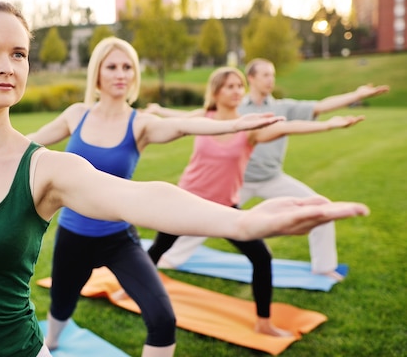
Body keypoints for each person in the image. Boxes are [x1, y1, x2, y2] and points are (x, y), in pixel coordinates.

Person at [0, 0, 369, 357]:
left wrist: (244, 220)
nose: (7, 66)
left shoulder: (47, 170)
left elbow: (142, 197)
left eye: (19, 54)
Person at [26, 37, 288, 356]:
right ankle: (53, 340)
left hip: (118, 237)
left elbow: (181, 127)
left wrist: (233, 124)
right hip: (73, 236)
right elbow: (30, 143)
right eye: (112, 67)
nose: (121, 74)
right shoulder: (75, 115)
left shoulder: (141, 124)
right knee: (61, 306)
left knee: (163, 319)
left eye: (128, 67)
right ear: (97, 73)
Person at [145, 66, 365, 337]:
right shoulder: (205, 117)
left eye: (240, 86)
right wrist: (156, 112)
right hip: (187, 201)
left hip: (225, 206)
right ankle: (128, 288)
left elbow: (289, 127)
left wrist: (329, 124)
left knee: (261, 258)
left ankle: (264, 323)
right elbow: (176, 120)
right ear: (215, 92)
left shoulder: (249, 129)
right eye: (230, 86)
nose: (238, 91)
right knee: (157, 249)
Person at [237, 58, 389, 279]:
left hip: (272, 179)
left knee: (321, 208)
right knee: (205, 216)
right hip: (239, 181)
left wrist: (358, 94)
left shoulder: (283, 107)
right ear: (251, 78)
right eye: (265, 75)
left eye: (273, 75)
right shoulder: (237, 108)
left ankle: (324, 266)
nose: (271, 80)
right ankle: (172, 258)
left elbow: (322, 105)